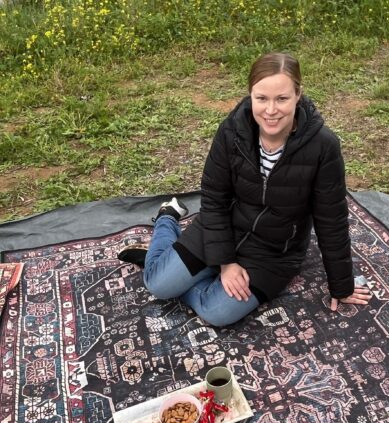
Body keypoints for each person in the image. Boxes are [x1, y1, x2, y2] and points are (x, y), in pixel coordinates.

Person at [119, 52, 371, 327]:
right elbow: (214, 199)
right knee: (157, 284)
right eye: (261, 98)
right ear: (251, 95)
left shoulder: (323, 146)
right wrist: (226, 263)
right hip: (224, 229)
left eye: (282, 99)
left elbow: (331, 220)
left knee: (215, 313)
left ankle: (175, 270)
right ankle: (167, 218)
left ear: (298, 95)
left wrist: (341, 285)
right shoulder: (231, 131)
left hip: (273, 253)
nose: (271, 110)